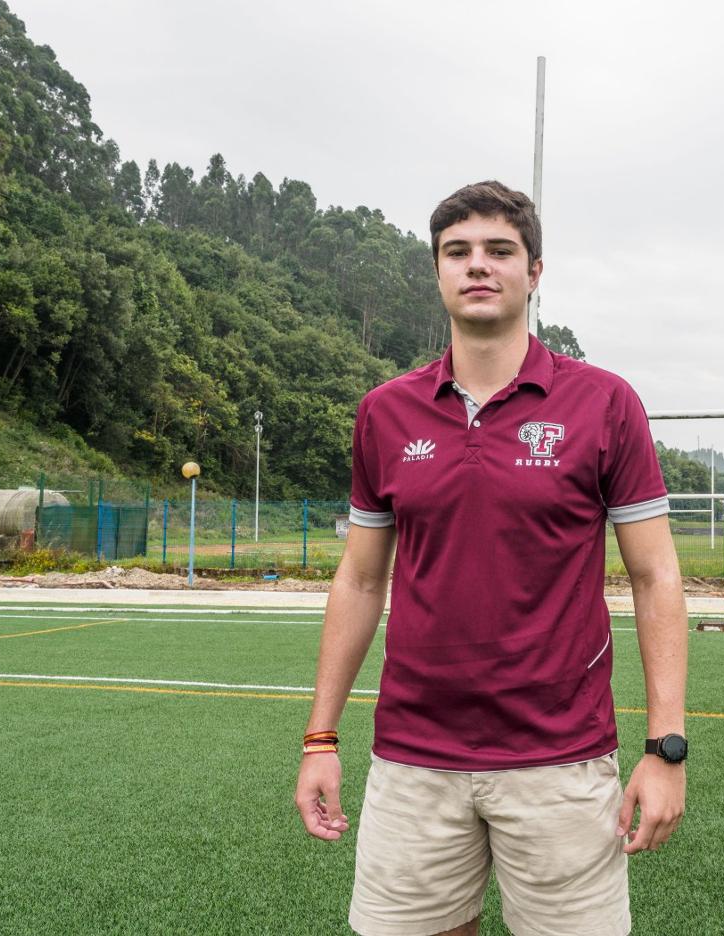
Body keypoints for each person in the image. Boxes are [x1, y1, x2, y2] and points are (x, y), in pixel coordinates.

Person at [294, 180, 688, 936]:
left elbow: (655, 574)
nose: (479, 266)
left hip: (561, 759)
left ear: (533, 272)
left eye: (500, 251)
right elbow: (361, 578)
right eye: (458, 252)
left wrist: (665, 748)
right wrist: (320, 738)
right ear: (437, 271)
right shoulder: (385, 411)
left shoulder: (604, 404)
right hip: (414, 759)